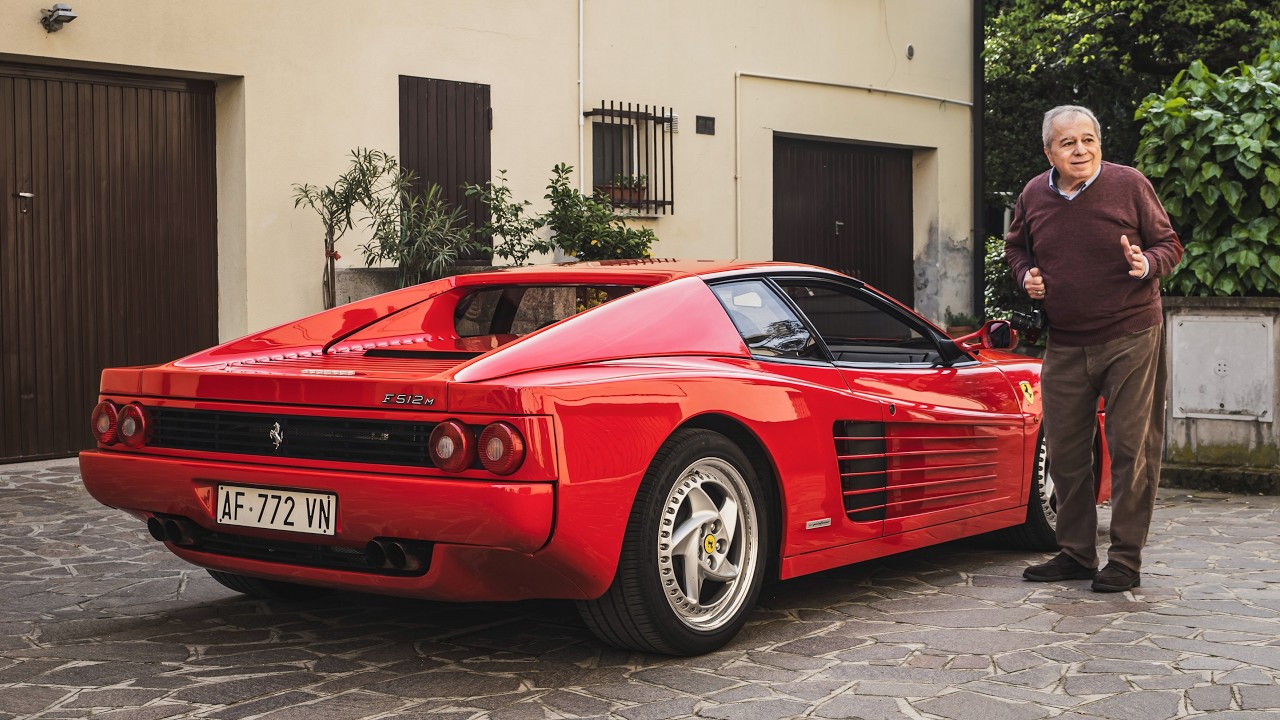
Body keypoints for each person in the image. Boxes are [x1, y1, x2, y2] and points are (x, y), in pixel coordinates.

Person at [1004, 105, 1183, 593]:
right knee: (1065, 453)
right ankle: (1076, 553)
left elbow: (1170, 244)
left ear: (1099, 144)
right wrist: (1026, 276)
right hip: (1065, 340)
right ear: (1049, 152)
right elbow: (1016, 247)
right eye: (1068, 143)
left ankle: (1125, 560)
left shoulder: (1128, 184)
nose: (1080, 150)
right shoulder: (1033, 194)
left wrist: (1145, 263)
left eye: (1088, 140)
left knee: (1131, 449)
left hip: (1130, 333)